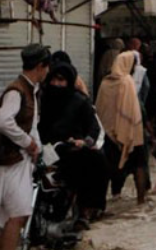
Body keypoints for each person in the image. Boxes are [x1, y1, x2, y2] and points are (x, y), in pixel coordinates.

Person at [0, 44, 49, 250]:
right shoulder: (16, 91)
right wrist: (28, 143)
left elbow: (33, 125)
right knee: (18, 214)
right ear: (40, 66)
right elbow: (3, 123)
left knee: (18, 213)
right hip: (5, 160)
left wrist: (36, 148)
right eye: (47, 68)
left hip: (18, 160)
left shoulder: (31, 91)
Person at [39, 61, 109, 225]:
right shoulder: (42, 99)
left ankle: (85, 211)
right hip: (45, 148)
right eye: (53, 79)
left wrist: (84, 142)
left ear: (69, 82)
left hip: (73, 149)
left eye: (61, 80)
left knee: (97, 160)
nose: (56, 84)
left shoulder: (80, 101)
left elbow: (93, 127)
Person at [96, 51, 148, 204]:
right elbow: (132, 109)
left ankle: (110, 199)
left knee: (108, 167)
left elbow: (100, 109)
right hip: (132, 132)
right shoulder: (127, 82)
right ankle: (141, 201)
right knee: (139, 165)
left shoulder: (105, 83)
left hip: (108, 132)